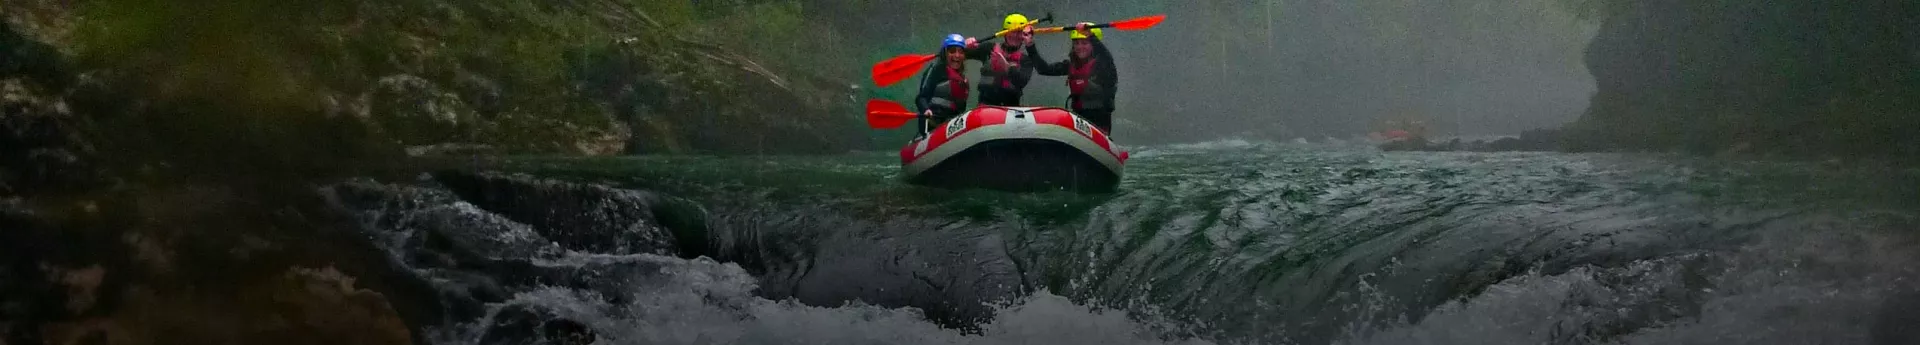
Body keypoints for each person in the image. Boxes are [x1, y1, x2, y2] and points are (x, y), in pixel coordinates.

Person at [1038, 23, 1119, 133]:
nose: (1080, 47)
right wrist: (1030, 45)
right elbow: (1044, 69)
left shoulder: (1104, 66)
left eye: (1085, 43)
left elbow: (1106, 56)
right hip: (1079, 122)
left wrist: (1090, 35)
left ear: (1094, 45)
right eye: (1076, 43)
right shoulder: (1070, 65)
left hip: (1099, 125)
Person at [961, 13, 1051, 106]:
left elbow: (1021, 81)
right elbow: (957, 55)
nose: (1015, 36)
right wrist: (966, 45)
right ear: (1005, 33)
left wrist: (1006, 67)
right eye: (1012, 31)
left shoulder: (1025, 60)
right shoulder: (989, 48)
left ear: (1024, 36)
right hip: (986, 105)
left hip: (1011, 108)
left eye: (1019, 32)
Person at [914, 34, 972, 135]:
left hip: (951, 128)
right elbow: (920, 98)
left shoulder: (963, 80)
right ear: (945, 53)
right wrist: (926, 109)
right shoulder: (936, 70)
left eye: (960, 52)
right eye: (952, 51)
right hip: (932, 125)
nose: (957, 55)